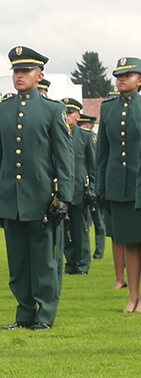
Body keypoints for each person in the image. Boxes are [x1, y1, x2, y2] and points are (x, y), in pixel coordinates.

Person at [0, 47, 73, 331]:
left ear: (40, 75)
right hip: (11, 198)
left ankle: (45, 314)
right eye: (16, 71)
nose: (19, 76)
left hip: (42, 199)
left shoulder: (53, 110)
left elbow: (64, 158)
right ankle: (24, 313)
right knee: (18, 264)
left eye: (25, 71)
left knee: (44, 261)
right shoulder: (1, 109)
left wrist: (63, 196)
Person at [96, 58, 141, 312]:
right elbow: (103, 153)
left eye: (128, 74)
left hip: (139, 183)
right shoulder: (109, 109)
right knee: (130, 242)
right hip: (120, 187)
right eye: (118, 75)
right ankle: (133, 296)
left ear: (140, 80)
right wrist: (101, 186)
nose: (121, 79)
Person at [62, 98, 94, 276]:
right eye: (64, 113)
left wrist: (93, 189)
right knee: (65, 230)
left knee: (80, 230)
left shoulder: (85, 136)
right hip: (61, 191)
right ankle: (70, 263)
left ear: (77, 115)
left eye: (69, 113)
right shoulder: (56, 134)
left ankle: (82, 264)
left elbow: (93, 165)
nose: (66, 117)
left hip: (79, 190)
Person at [79, 114, 106, 261]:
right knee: (83, 223)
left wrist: (95, 188)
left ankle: (99, 252)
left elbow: (94, 165)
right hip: (81, 188)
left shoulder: (90, 138)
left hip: (92, 187)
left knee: (99, 223)